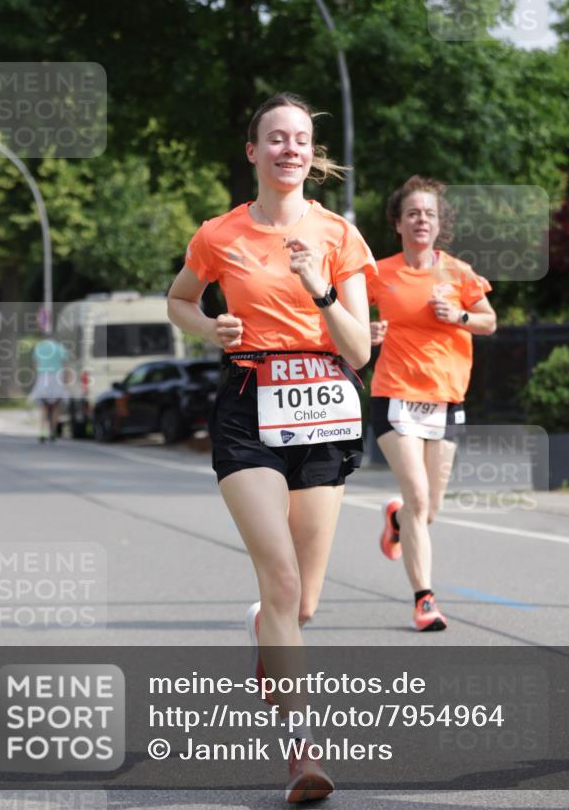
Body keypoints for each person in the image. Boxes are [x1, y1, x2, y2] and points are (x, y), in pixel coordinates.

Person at [167, 92, 375, 802]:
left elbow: (358, 349)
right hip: (247, 406)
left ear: (311, 156)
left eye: (301, 139)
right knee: (281, 580)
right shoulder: (218, 234)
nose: (290, 148)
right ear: (253, 151)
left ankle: (266, 627)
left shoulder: (339, 235)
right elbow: (180, 299)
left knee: (301, 603)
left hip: (324, 409)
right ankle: (301, 752)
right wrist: (208, 328)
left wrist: (321, 290)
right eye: (276, 138)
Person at [368, 176, 496, 632]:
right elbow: (342, 316)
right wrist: (365, 331)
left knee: (429, 509)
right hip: (394, 394)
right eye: (413, 214)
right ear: (398, 223)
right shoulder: (378, 273)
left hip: (446, 398)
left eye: (429, 214)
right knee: (418, 497)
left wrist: (459, 315)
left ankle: (397, 521)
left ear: (439, 224)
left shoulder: (459, 273)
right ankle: (424, 600)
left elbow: (489, 322)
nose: (421, 220)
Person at [29, 336, 69, 442]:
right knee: (56, 406)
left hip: (43, 377)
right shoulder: (60, 347)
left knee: (44, 407)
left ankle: (42, 431)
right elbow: (65, 365)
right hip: (57, 378)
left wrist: (36, 378)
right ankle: (53, 432)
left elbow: (35, 365)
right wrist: (66, 382)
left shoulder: (39, 347)